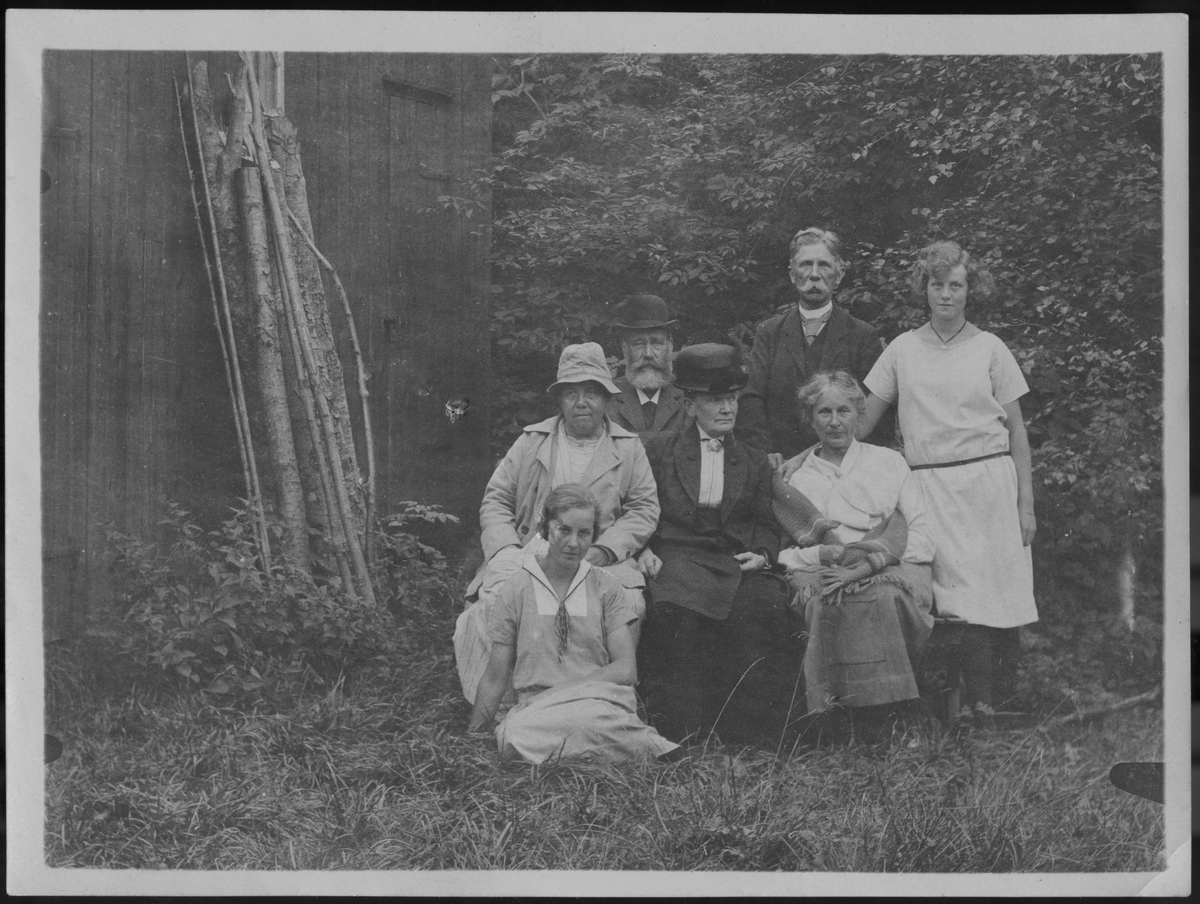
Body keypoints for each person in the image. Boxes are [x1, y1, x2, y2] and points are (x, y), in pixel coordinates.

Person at [788, 241, 1037, 726]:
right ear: (924, 289)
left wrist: (1025, 504)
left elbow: (1017, 430)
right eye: (936, 285)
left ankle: (990, 708)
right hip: (929, 485)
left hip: (988, 482)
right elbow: (856, 420)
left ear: (970, 290)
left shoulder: (991, 348)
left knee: (996, 593)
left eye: (956, 285)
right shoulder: (902, 349)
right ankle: (948, 708)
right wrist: (803, 457)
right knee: (951, 598)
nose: (946, 295)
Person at [454, 343, 660, 706]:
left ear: (607, 399)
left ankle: (598, 703)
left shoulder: (628, 447)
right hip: (531, 550)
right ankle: (506, 706)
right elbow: (497, 499)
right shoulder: (533, 441)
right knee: (497, 600)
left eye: (591, 393)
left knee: (629, 604)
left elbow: (643, 509)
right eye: (571, 394)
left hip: (598, 553)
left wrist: (603, 550)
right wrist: (505, 550)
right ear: (560, 400)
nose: (582, 403)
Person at [635, 344, 796, 746]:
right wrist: (643, 549)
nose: (727, 409)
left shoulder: (755, 461)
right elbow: (639, 509)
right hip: (677, 554)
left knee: (762, 607)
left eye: (732, 398)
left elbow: (767, 523)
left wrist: (763, 555)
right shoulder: (659, 451)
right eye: (714, 400)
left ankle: (752, 735)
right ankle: (681, 731)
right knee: (676, 613)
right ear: (690, 406)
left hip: (733, 558)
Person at [468, 484, 679, 764]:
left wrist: (562, 692)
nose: (573, 543)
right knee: (511, 734)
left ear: (594, 535)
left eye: (584, 533)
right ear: (544, 528)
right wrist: (472, 738)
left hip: (596, 700)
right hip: (539, 709)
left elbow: (625, 669)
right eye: (563, 530)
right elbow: (495, 676)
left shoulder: (606, 586)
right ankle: (629, 747)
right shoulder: (516, 588)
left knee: (598, 718)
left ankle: (573, 749)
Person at [773, 371, 935, 729]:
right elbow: (785, 552)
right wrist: (825, 558)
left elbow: (921, 531)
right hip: (826, 569)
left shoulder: (888, 462)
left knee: (885, 596)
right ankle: (836, 716)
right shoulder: (797, 479)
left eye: (844, 411)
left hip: (891, 563)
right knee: (824, 601)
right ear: (810, 418)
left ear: (859, 414)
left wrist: (875, 561)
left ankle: (893, 711)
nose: (835, 422)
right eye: (824, 412)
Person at [738, 227, 890, 465]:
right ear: (792, 273)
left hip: (843, 465)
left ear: (839, 275)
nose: (814, 274)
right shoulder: (769, 333)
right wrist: (764, 453)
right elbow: (751, 399)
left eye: (824, 265)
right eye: (806, 264)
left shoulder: (862, 336)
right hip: (779, 464)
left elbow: (874, 415)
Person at [607, 294, 693, 437]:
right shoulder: (607, 399)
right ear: (625, 348)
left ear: (670, 346)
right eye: (638, 344)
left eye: (656, 343)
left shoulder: (689, 397)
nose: (648, 354)